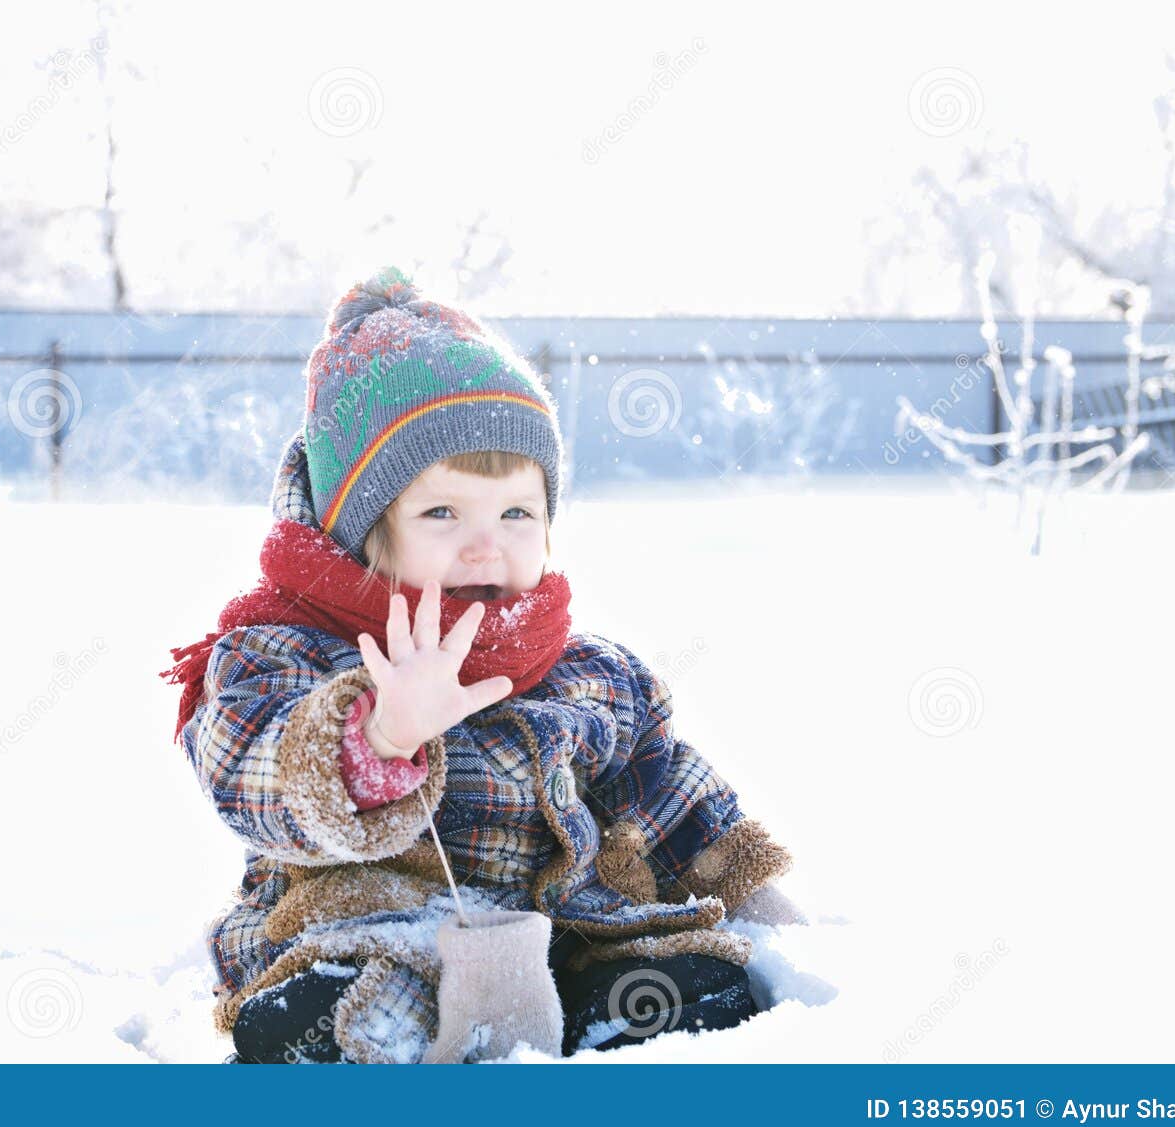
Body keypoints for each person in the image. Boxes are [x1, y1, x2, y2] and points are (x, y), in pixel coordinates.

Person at [161, 267, 805, 1064]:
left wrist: (751, 891)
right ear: (364, 532)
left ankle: (608, 1020)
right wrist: (381, 736)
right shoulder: (287, 650)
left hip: (568, 927)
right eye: (441, 512)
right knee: (357, 1002)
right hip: (372, 924)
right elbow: (245, 764)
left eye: (515, 513)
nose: (485, 543)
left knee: (693, 981)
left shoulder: (588, 673)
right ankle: (375, 1037)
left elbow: (664, 790)